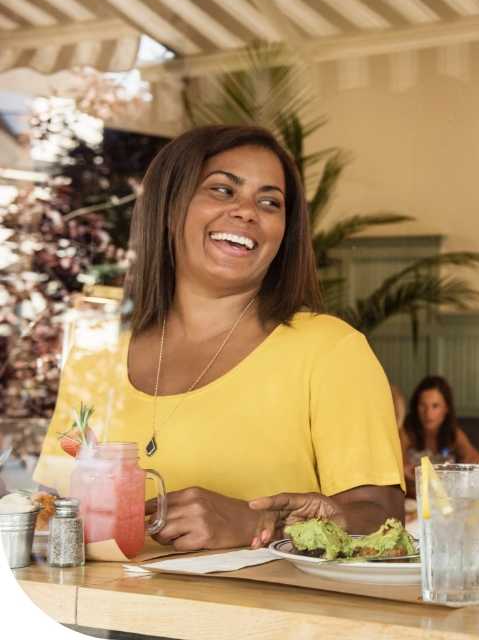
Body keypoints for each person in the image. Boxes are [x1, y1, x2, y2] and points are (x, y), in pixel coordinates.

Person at [34, 125, 404, 551]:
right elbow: (53, 504)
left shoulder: (331, 350)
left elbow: (383, 519)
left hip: (263, 616)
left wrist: (261, 526)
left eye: (269, 202)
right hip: (93, 612)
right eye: (223, 190)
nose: (247, 212)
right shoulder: (96, 352)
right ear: (169, 208)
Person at [401, 376, 479, 497]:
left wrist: (457, 473)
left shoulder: (454, 433)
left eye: (435, 406)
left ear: (446, 408)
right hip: (413, 501)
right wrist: (406, 472)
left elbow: (475, 460)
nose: (428, 413)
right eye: (423, 405)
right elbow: (396, 469)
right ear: (416, 408)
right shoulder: (406, 433)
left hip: (446, 501)